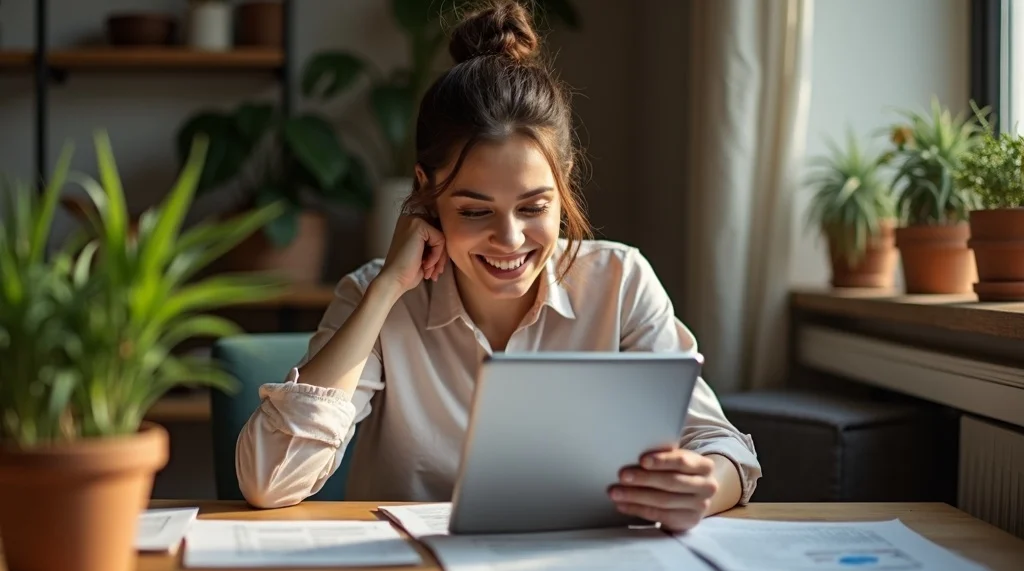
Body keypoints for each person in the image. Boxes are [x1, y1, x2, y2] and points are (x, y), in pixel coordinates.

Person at [235, 0, 760, 532]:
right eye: (474, 211)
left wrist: (700, 488)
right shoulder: (375, 295)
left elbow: (724, 450)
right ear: (426, 192)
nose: (510, 240)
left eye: (534, 208)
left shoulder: (621, 283)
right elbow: (269, 481)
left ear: (564, 182)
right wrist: (389, 287)